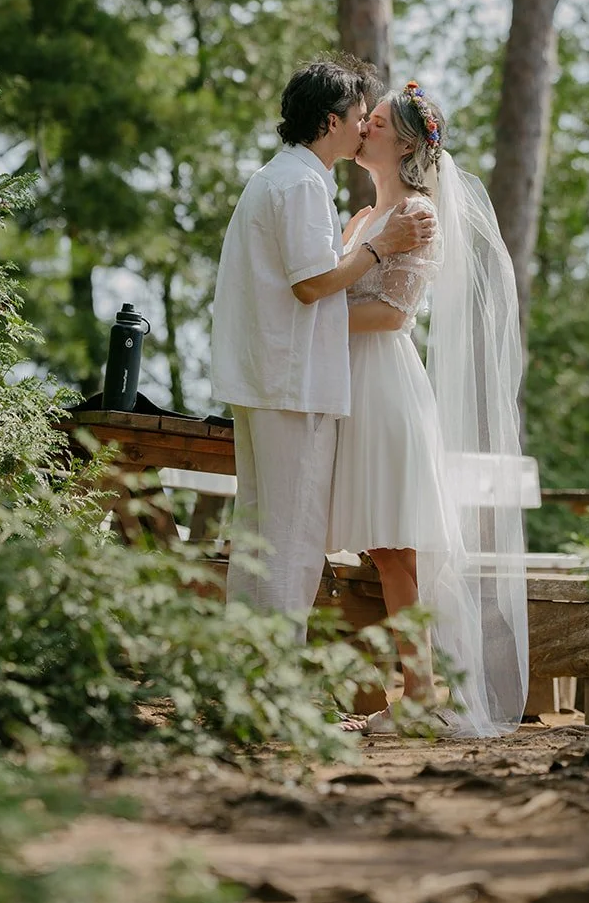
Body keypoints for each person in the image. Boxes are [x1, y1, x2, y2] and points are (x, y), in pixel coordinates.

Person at [328, 82, 531, 736]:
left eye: (378, 121)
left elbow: (392, 313)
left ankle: (420, 695)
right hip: (347, 385)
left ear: (407, 145)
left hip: (385, 387)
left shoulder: (418, 213)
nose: (365, 126)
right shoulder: (364, 218)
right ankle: (411, 691)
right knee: (381, 546)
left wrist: (311, 318)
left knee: (396, 547)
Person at [210, 58, 436, 633]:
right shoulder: (304, 184)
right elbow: (311, 285)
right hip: (295, 383)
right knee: (291, 540)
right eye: (361, 116)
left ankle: (244, 662)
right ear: (332, 121)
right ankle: (273, 670)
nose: (364, 127)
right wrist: (378, 247)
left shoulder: (278, 177)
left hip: (271, 378)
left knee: (260, 533)